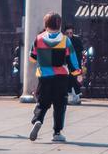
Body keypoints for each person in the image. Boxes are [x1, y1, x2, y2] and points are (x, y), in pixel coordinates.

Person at [28, 11, 80, 143]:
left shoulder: (38, 39)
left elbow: (32, 58)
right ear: (59, 25)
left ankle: (38, 120)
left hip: (44, 76)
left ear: (46, 25)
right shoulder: (65, 40)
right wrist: (77, 72)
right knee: (60, 104)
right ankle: (57, 132)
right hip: (61, 76)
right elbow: (72, 58)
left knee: (42, 102)